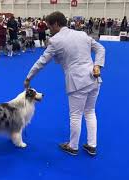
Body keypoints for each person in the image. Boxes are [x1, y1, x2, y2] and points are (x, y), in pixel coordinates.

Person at [23, 11, 105, 156]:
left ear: (55, 24)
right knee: (90, 112)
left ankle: (73, 146)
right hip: (94, 78)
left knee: (75, 115)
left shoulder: (55, 41)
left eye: (49, 26)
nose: (49, 29)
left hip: (77, 82)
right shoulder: (82, 34)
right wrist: (97, 64)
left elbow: (41, 62)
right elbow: (100, 48)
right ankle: (92, 145)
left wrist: (29, 77)